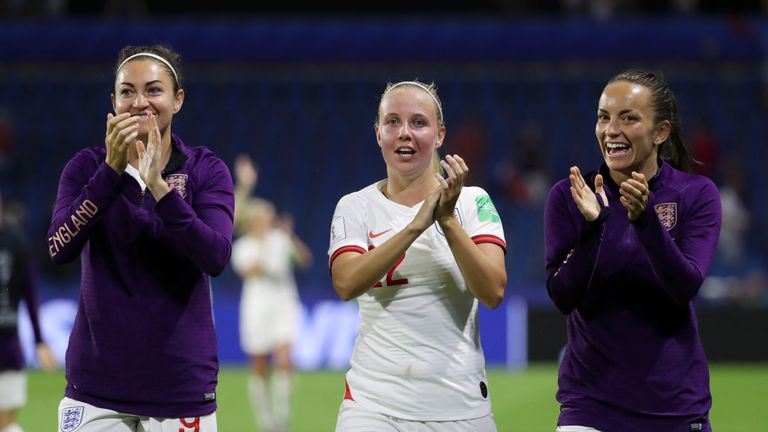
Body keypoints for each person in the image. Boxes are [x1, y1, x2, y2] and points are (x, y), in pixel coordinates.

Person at [47, 44, 234, 432]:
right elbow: (58, 248)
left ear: (177, 99)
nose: (139, 102)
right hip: (95, 389)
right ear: (113, 101)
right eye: (127, 91)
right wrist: (110, 175)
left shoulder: (205, 170)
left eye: (153, 90)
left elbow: (215, 256)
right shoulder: (86, 168)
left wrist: (159, 188)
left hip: (180, 387)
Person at [544, 69, 722, 432]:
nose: (611, 130)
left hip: (673, 406)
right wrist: (595, 229)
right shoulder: (571, 195)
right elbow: (563, 295)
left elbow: (683, 286)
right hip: (589, 405)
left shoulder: (696, 195)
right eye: (603, 117)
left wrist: (645, 221)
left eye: (628, 118)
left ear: (661, 132)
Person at [328, 80, 507, 431]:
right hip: (372, 407)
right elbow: (346, 283)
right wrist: (414, 227)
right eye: (392, 122)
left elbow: (493, 292)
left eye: (419, 123)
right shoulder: (355, 207)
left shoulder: (473, 202)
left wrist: (447, 220)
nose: (404, 133)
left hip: (461, 406)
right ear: (378, 133)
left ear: (440, 135)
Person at [231, 155, 313, 432]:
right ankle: (265, 421)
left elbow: (304, 260)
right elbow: (252, 272)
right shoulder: (243, 248)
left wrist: (290, 237)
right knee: (259, 367)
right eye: (266, 216)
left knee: (285, 359)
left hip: (284, 305)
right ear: (254, 221)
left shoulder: (280, 240)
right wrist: (266, 243)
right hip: (256, 309)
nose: (271, 219)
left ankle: (282, 417)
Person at [0, 193, 57, 432]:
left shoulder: (17, 243)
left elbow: (30, 295)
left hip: (7, 346)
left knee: (6, 423)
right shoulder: (18, 241)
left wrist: (40, 340)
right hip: (9, 346)